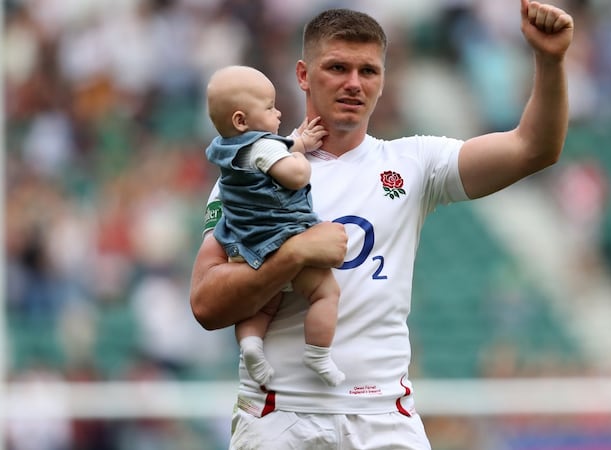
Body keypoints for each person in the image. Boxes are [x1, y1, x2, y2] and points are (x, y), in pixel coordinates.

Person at [190, 1, 574, 448]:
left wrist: (550, 61)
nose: (354, 83)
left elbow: (534, 149)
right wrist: (293, 256)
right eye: (337, 67)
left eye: (368, 71)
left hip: (384, 419)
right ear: (302, 75)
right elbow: (206, 304)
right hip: (281, 417)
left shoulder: (413, 162)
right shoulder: (249, 175)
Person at [204, 65, 345, 387]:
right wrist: (301, 159)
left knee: (262, 305)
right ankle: (318, 354)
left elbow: (267, 157)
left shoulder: (227, 150)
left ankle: (252, 345)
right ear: (241, 120)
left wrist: (297, 143)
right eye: (269, 107)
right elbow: (293, 175)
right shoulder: (264, 146)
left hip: (244, 245)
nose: (278, 112)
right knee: (326, 293)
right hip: (281, 237)